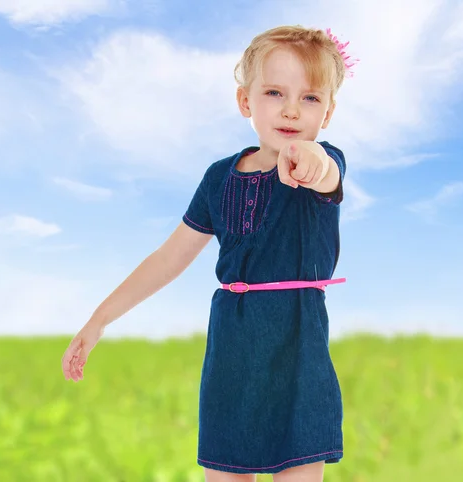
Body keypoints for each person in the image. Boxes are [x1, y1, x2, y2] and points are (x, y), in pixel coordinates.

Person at [62, 24, 357, 482]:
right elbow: (169, 258)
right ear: (245, 101)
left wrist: (312, 160)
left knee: (300, 464)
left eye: (311, 98)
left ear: (329, 111)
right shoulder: (219, 178)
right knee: (224, 468)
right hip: (233, 347)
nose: (293, 109)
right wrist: (99, 319)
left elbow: (326, 174)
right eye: (275, 92)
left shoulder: (323, 161)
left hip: (298, 347)